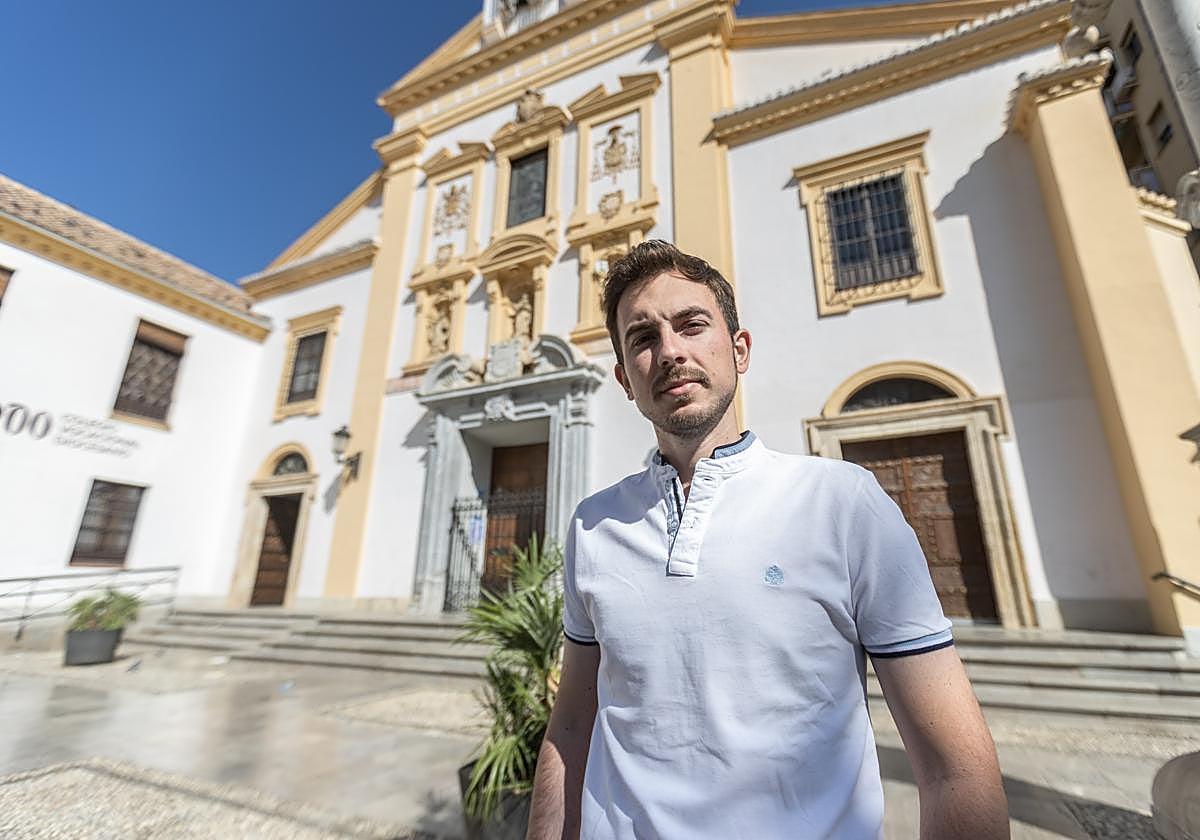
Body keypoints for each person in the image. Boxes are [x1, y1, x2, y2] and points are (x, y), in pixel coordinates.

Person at [526, 240, 1008, 839]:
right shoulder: (593, 524)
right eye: (643, 338)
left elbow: (954, 766)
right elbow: (573, 727)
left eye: (691, 325)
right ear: (625, 379)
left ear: (740, 349)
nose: (670, 351)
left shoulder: (841, 502)